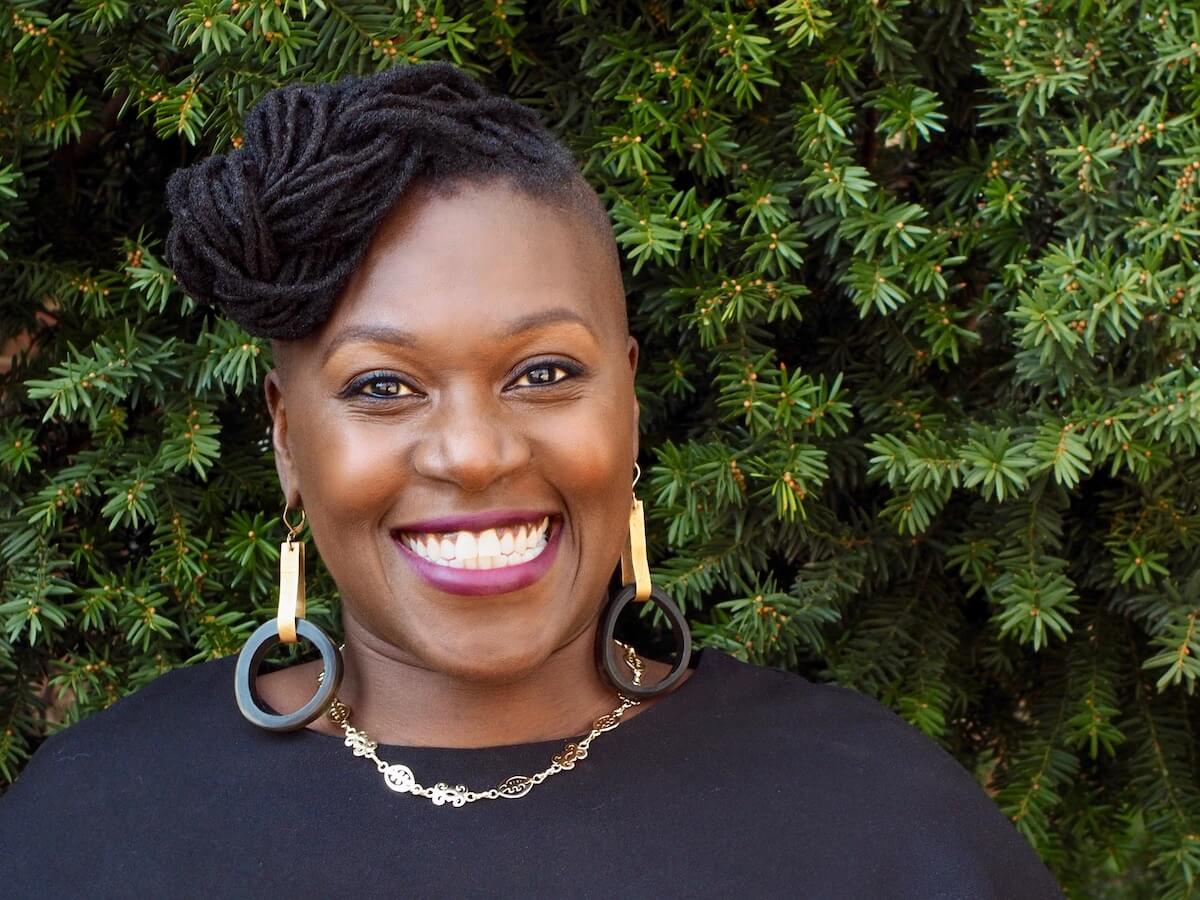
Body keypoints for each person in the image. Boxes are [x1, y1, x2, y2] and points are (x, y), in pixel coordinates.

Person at [0, 62, 1064, 899]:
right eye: (382, 385)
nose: (474, 452)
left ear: (628, 403)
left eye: (544, 372)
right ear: (286, 437)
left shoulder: (875, 822)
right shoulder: (96, 827)